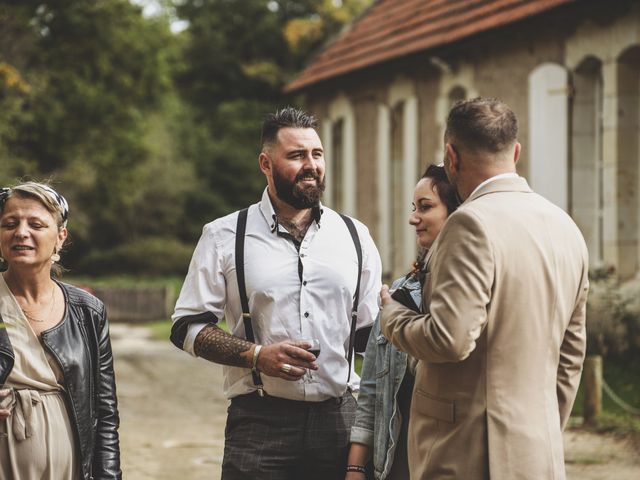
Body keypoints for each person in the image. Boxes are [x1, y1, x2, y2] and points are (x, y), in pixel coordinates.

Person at [380, 97, 589, 480]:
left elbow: (450, 340)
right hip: (537, 453)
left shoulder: (469, 224)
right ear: (516, 151)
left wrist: (391, 315)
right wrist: (540, 432)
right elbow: (571, 354)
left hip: (466, 453)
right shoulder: (566, 228)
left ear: (451, 157)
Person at [170, 106, 382, 480]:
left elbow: (370, 337)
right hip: (258, 422)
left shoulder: (355, 236)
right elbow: (186, 327)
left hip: (339, 420)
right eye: (297, 155)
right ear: (266, 164)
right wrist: (256, 355)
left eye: (317, 154)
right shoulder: (224, 236)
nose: (311, 165)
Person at [0, 182, 121, 480]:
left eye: (36, 224)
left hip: (71, 468)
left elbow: (104, 415)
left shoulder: (88, 311)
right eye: (10, 224)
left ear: (60, 237)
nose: (21, 232)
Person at [346, 164, 458, 480]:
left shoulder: (474, 299)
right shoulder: (397, 295)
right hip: (397, 464)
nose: (413, 218)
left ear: (458, 214)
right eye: (413, 208)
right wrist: (355, 468)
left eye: (425, 207)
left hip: (451, 462)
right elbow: (370, 393)